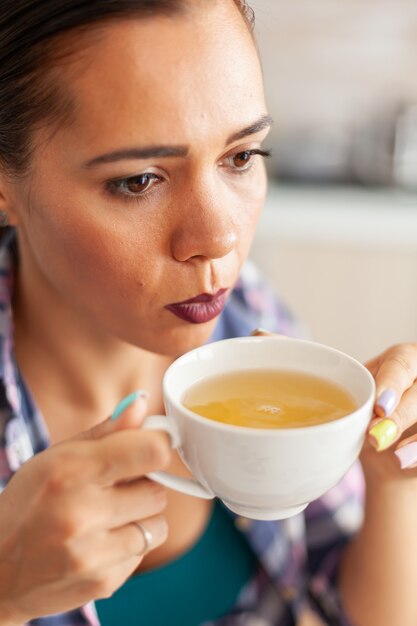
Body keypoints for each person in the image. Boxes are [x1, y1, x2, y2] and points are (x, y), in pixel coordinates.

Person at [0, 1, 416, 625]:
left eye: (241, 157)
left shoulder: (241, 307)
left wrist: (393, 482)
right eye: (140, 180)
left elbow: (339, 609)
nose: (219, 238)